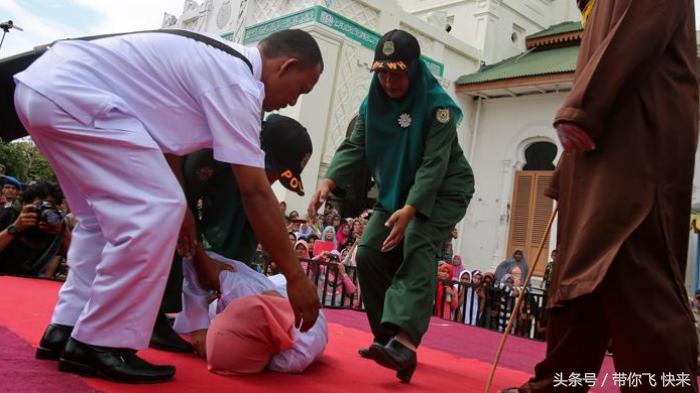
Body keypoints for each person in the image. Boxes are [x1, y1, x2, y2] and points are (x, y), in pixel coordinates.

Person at [19, 29, 323, 383]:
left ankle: (66, 326)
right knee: (154, 212)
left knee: (98, 220)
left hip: (42, 89)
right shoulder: (237, 83)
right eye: (301, 89)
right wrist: (296, 278)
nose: (291, 102)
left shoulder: (218, 61)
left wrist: (181, 206)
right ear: (287, 65)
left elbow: (165, 142)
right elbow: (255, 192)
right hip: (76, 96)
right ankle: (100, 340)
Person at [506, 1, 698, 392]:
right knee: (579, 275)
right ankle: (556, 385)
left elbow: (638, 32)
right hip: (599, 141)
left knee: (633, 261)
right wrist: (569, 167)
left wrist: (582, 108)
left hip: (638, 134)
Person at [308, 29, 474, 383]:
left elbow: (434, 165)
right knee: (367, 253)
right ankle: (388, 339)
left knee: (417, 242)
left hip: (442, 191)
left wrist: (413, 208)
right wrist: (328, 181)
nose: (388, 80)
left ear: (414, 69)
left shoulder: (438, 107)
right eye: (381, 71)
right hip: (395, 194)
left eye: (397, 72)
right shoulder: (372, 104)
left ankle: (406, 340)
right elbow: (355, 146)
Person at [149, 114, 314, 353]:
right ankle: (153, 318)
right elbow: (180, 208)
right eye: (275, 172)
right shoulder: (211, 151)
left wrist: (228, 298)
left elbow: (236, 255)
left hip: (204, 251)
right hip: (166, 202)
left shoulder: (253, 193)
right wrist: (198, 323)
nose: (275, 180)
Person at [173, 252, 328, 375]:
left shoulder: (291, 355)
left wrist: (198, 323)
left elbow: (194, 258)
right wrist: (198, 323)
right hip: (276, 295)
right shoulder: (293, 354)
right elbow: (198, 261)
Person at [0, 182, 71, 277]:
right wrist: (15, 228)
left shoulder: (56, 226)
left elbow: (79, 260)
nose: (45, 211)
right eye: (40, 205)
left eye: (50, 206)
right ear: (25, 205)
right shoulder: (8, 216)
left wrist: (63, 232)